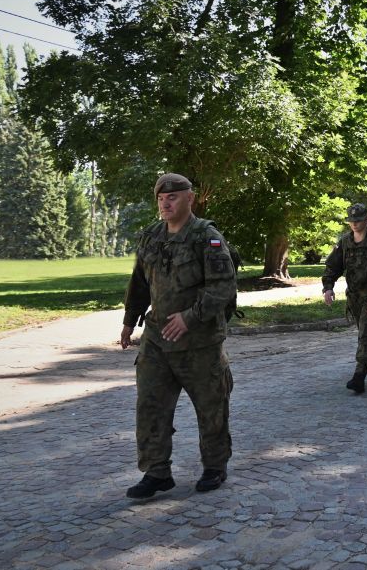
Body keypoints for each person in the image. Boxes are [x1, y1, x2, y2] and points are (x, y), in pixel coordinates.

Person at [121, 173, 236, 499]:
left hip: (199, 344)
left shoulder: (207, 238)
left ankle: (215, 466)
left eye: (172, 197)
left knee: (211, 406)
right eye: (160, 198)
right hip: (157, 340)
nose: (165, 203)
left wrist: (190, 317)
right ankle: (156, 472)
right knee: (150, 406)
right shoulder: (151, 237)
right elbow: (139, 283)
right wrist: (130, 321)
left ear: (190, 198)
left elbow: (223, 287)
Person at [322, 203, 367, 394]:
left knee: (366, 332)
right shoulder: (345, 242)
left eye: (359, 220)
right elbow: (332, 267)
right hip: (355, 298)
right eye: (351, 221)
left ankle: (359, 376)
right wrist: (328, 287)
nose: (354, 224)